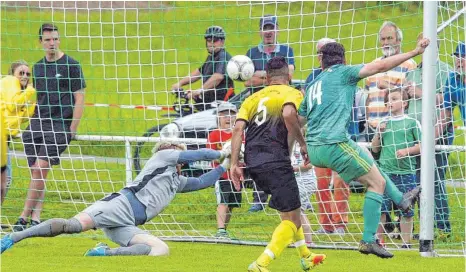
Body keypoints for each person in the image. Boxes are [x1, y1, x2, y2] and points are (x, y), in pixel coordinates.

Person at [297, 39, 428, 258]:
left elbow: (298, 119)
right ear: (344, 59)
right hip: (334, 144)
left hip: (315, 148)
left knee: (366, 154)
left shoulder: (312, 85)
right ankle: (368, 240)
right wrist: (414, 52)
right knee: (376, 183)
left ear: (321, 62)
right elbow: (380, 67)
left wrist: (302, 145)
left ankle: (402, 200)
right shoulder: (344, 72)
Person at [1, 142, 232, 256]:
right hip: (119, 205)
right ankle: (13, 237)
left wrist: (225, 165)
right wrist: (223, 151)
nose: (180, 157)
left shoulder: (176, 180)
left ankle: (103, 253)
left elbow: (204, 181)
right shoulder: (162, 157)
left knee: (160, 250)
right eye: (178, 153)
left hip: (127, 223)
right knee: (72, 226)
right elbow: (198, 154)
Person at [230, 56, 326, 272]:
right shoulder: (292, 93)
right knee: (292, 221)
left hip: (253, 162)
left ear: (267, 79)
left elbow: (237, 129)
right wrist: (303, 144)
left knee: (291, 211)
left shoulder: (253, 98)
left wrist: (234, 164)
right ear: (289, 76)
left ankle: (306, 256)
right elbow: (289, 114)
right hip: (276, 159)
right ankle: (260, 264)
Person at [13, 23, 86, 231]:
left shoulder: (72, 65)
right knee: (37, 172)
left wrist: (72, 128)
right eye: (47, 40)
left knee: (40, 168)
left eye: (55, 38)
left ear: (59, 39)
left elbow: (80, 98)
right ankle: (36, 217)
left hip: (60, 125)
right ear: (41, 42)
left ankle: (23, 218)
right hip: (37, 125)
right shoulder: (37, 67)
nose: (52, 42)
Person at [245, 15, 296, 212]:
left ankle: (279, 194)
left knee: (279, 148)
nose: (268, 32)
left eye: (271, 28)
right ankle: (258, 198)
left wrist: (258, 75)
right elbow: (246, 81)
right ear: (260, 31)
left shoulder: (286, 50)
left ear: (277, 30)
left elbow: (289, 75)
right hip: (258, 110)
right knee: (256, 150)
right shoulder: (251, 52)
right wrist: (272, 77)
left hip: (279, 107)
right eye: (265, 28)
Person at [405, 33, 452, 237]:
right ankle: (422, 227)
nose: (422, 45)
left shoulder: (445, 70)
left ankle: (442, 226)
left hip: (436, 134)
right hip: (414, 134)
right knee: (417, 181)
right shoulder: (413, 72)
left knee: (435, 180)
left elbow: (447, 101)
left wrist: (420, 92)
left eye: (426, 42)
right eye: (419, 42)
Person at [303, 37, 351, 235]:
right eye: (320, 51)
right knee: (321, 183)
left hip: (341, 135)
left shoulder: (344, 76)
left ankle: (340, 222)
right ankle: (326, 224)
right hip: (318, 138)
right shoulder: (312, 79)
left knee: (340, 181)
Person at [372, 88, 421, 248]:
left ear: (405, 103)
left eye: (394, 99)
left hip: (406, 172)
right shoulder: (383, 123)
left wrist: (407, 151)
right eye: (388, 100)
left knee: (406, 208)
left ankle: (406, 243)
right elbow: (375, 149)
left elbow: (422, 146)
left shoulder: (412, 123)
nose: (390, 102)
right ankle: (379, 241)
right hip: (385, 172)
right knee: (381, 208)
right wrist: (378, 133)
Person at [364, 21, 417, 142]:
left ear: (399, 40)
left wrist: (388, 86)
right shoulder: (373, 64)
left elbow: (409, 96)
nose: (386, 42)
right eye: (383, 39)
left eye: (390, 38)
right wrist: (367, 121)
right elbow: (368, 98)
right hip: (371, 128)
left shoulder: (410, 64)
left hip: (395, 128)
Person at [171, 26, 234, 111]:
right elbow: (198, 72)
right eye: (208, 40)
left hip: (222, 105)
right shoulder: (211, 57)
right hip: (209, 102)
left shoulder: (223, 56)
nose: (211, 43)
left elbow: (218, 77)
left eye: (215, 40)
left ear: (222, 42)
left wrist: (199, 90)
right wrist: (180, 83)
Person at [0, 61, 36, 205]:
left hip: (4, 138)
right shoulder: (10, 82)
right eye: (21, 73)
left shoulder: (19, 91)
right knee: (5, 179)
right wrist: (30, 90)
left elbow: (17, 118)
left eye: (28, 74)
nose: (25, 76)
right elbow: (12, 104)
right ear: (12, 74)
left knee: (5, 179)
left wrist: (35, 107)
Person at [206, 102, 242, 239]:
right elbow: (211, 156)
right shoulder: (214, 135)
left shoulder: (239, 134)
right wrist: (224, 156)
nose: (228, 118)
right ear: (218, 118)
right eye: (224, 115)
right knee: (223, 202)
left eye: (232, 114)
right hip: (221, 175)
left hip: (237, 176)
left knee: (232, 204)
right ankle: (220, 230)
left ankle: (224, 231)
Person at [291, 141, 316, 247]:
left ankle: (307, 241)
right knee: (296, 211)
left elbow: (309, 165)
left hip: (305, 181)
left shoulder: (306, 145)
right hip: (297, 181)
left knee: (296, 210)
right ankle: (304, 240)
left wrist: (293, 169)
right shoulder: (291, 145)